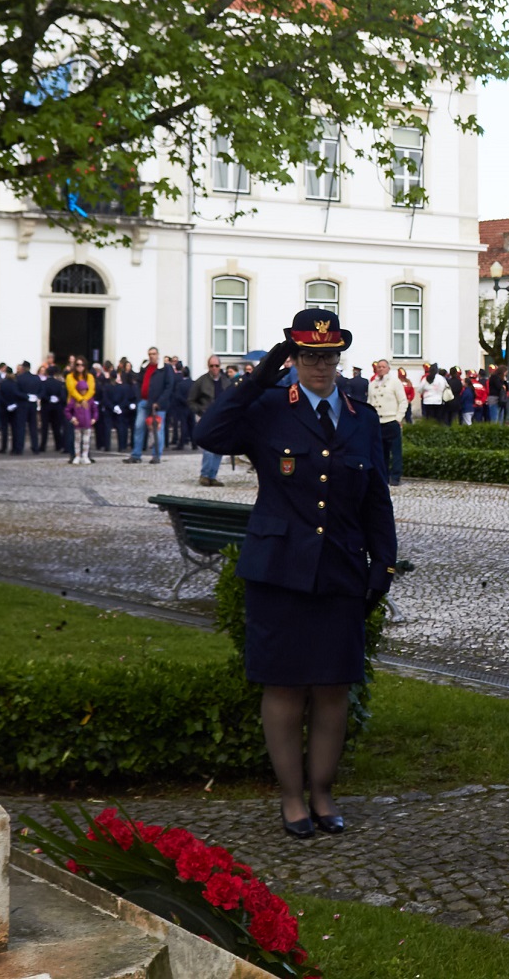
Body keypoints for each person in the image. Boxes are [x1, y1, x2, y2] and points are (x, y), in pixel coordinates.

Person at [196, 309, 398, 839]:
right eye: (309, 355)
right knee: (284, 688)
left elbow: (376, 498)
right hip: (279, 571)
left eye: (329, 356)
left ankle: (323, 793)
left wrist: (384, 564)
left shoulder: (360, 417)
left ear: (339, 358)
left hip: (340, 570)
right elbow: (209, 432)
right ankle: (291, 798)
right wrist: (260, 376)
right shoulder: (268, 407)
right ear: (294, 357)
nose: (320, 365)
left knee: (333, 688)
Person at [187, 356, 230, 486]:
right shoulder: (201, 381)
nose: (214, 368)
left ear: (220, 366)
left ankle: (213, 475)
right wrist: (200, 411)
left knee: (218, 449)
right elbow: (191, 400)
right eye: (212, 366)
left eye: (216, 366)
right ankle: (205, 475)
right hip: (206, 417)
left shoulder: (226, 381)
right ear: (208, 366)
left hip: (222, 418)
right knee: (208, 448)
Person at [368, 359, 409, 486]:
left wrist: (398, 418)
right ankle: (383, 476)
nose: (381, 369)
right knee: (381, 452)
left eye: (383, 367)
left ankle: (395, 477)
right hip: (378, 422)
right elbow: (369, 402)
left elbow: (403, 401)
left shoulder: (395, 382)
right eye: (379, 367)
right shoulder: (372, 384)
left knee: (395, 452)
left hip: (391, 420)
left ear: (388, 368)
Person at [130, 347, 172, 464]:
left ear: (158, 354)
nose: (151, 356)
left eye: (153, 354)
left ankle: (156, 455)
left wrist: (159, 402)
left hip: (158, 404)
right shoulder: (145, 367)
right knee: (139, 427)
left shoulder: (165, 368)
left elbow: (169, 387)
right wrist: (138, 397)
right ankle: (136, 454)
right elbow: (138, 382)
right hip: (144, 401)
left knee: (157, 430)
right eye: (150, 354)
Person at [64, 358, 99, 465]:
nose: (80, 367)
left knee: (86, 435)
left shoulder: (89, 376)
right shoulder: (70, 377)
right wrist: (81, 400)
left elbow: (91, 390)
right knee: (73, 434)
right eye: (78, 364)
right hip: (74, 405)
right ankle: (74, 455)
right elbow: (72, 390)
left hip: (86, 405)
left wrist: (85, 400)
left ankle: (86, 455)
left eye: (82, 364)